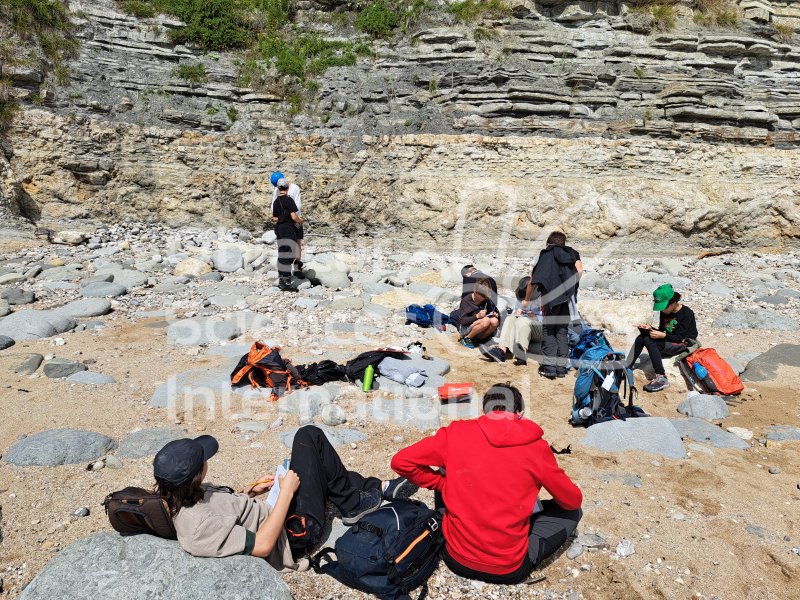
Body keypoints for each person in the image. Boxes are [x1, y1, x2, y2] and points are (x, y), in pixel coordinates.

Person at [391, 384, 583, 584]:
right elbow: (572, 501)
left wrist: (442, 484)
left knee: (445, 471)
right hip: (508, 569)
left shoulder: (456, 433)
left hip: (455, 559)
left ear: (484, 411)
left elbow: (401, 461)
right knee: (572, 513)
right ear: (520, 413)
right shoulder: (536, 447)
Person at [153, 426, 417, 570]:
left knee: (310, 456)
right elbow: (264, 545)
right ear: (198, 473)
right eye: (204, 461)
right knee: (309, 437)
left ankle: (374, 488)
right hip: (293, 534)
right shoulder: (198, 526)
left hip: (274, 510)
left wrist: (250, 492)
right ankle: (357, 502)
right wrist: (287, 492)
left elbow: (225, 513)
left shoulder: (183, 494)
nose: (206, 462)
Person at [522, 232, 582, 379]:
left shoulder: (545, 254)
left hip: (550, 298)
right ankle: (561, 368)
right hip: (567, 298)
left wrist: (527, 299)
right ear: (563, 243)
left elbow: (532, 279)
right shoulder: (573, 253)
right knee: (561, 330)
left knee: (549, 329)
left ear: (548, 242)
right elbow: (580, 271)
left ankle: (549, 367)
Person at [627, 283, 698, 392]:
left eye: (664, 307)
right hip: (669, 340)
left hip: (684, 343)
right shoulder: (664, 311)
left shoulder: (686, 313)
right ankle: (628, 366)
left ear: (673, 302)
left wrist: (662, 335)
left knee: (649, 341)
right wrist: (650, 329)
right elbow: (663, 330)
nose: (662, 310)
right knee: (642, 336)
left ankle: (662, 377)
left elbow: (679, 337)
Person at [480, 275, 543, 364]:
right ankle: (501, 350)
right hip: (522, 326)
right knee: (511, 318)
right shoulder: (520, 298)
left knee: (523, 320)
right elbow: (514, 312)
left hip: (539, 328)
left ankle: (522, 352)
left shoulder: (543, 298)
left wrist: (536, 317)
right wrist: (516, 313)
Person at [272, 178, 303, 291]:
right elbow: (294, 216)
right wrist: (301, 221)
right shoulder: (289, 200)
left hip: (279, 229)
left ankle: (281, 279)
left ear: (278, 188)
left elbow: (274, 218)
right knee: (289, 253)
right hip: (288, 228)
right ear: (288, 187)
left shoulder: (276, 201)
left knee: (282, 252)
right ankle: (286, 282)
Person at [451, 275, 500, 348]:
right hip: (465, 328)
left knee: (495, 321)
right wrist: (477, 316)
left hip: (479, 327)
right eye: (482, 295)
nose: (484, 298)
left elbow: (489, 312)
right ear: (475, 291)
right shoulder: (467, 301)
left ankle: (479, 340)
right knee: (486, 320)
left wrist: (493, 314)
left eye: (486, 296)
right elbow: (463, 321)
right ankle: (466, 338)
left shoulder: (486, 300)